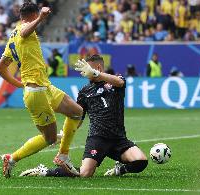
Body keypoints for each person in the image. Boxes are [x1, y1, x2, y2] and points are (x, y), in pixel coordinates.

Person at [19, 54, 148, 178]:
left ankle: (119, 169)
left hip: (118, 138)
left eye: (88, 69)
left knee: (141, 161)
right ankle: (45, 171)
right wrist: (64, 134)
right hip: (97, 138)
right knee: (85, 174)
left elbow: (120, 82)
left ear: (97, 68)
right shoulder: (85, 91)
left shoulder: (115, 82)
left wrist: (96, 74)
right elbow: (78, 117)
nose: (85, 73)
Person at [0, 2, 83, 178]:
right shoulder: (22, 29)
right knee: (50, 138)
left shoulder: (11, 38)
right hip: (36, 92)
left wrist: (18, 84)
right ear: (34, 15)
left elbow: (1, 68)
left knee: (77, 112)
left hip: (45, 86)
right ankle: (11, 158)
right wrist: (41, 19)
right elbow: (24, 31)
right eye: (37, 16)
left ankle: (63, 156)